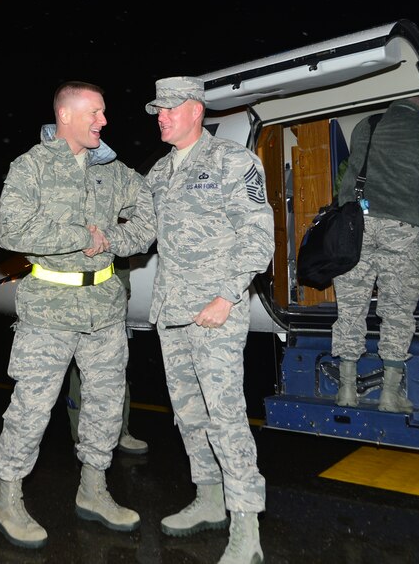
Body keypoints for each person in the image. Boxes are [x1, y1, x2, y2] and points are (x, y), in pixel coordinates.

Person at [0, 81, 156, 549]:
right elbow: (9, 227)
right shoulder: (33, 166)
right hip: (48, 310)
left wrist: (112, 242)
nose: (103, 122)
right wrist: (79, 235)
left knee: (104, 405)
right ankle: (8, 496)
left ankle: (94, 490)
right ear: (66, 115)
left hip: (104, 308)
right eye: (95, 113)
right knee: (31, 409)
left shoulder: (115, 172)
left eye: (104, 113)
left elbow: (147, 220)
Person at [144, 76, 274, 564]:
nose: (161, 116)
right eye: (158, 109)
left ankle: (246, 526)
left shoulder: (231, 161)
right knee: (189, 414)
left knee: (225, 417)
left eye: (170, 108)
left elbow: (259, 234)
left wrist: (227, 295)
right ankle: (209, 497)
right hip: (171, 313)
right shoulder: (159, 172)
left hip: (215, 312)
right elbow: (139, 228)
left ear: (196, 110)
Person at [332, 96, 419, 413]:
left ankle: (346, 391)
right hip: (401, 227)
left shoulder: (367, 125)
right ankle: (389, 394)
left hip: (356, 226)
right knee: (397, 308)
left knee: (350, 307)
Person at [66, 255, 149, 455]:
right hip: (74, 300)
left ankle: (120, 432)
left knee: (116, 371)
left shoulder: (111, 225)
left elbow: (120, 257)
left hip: (110, 299)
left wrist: (123, 291)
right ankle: (81, 436)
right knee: (81, 373)